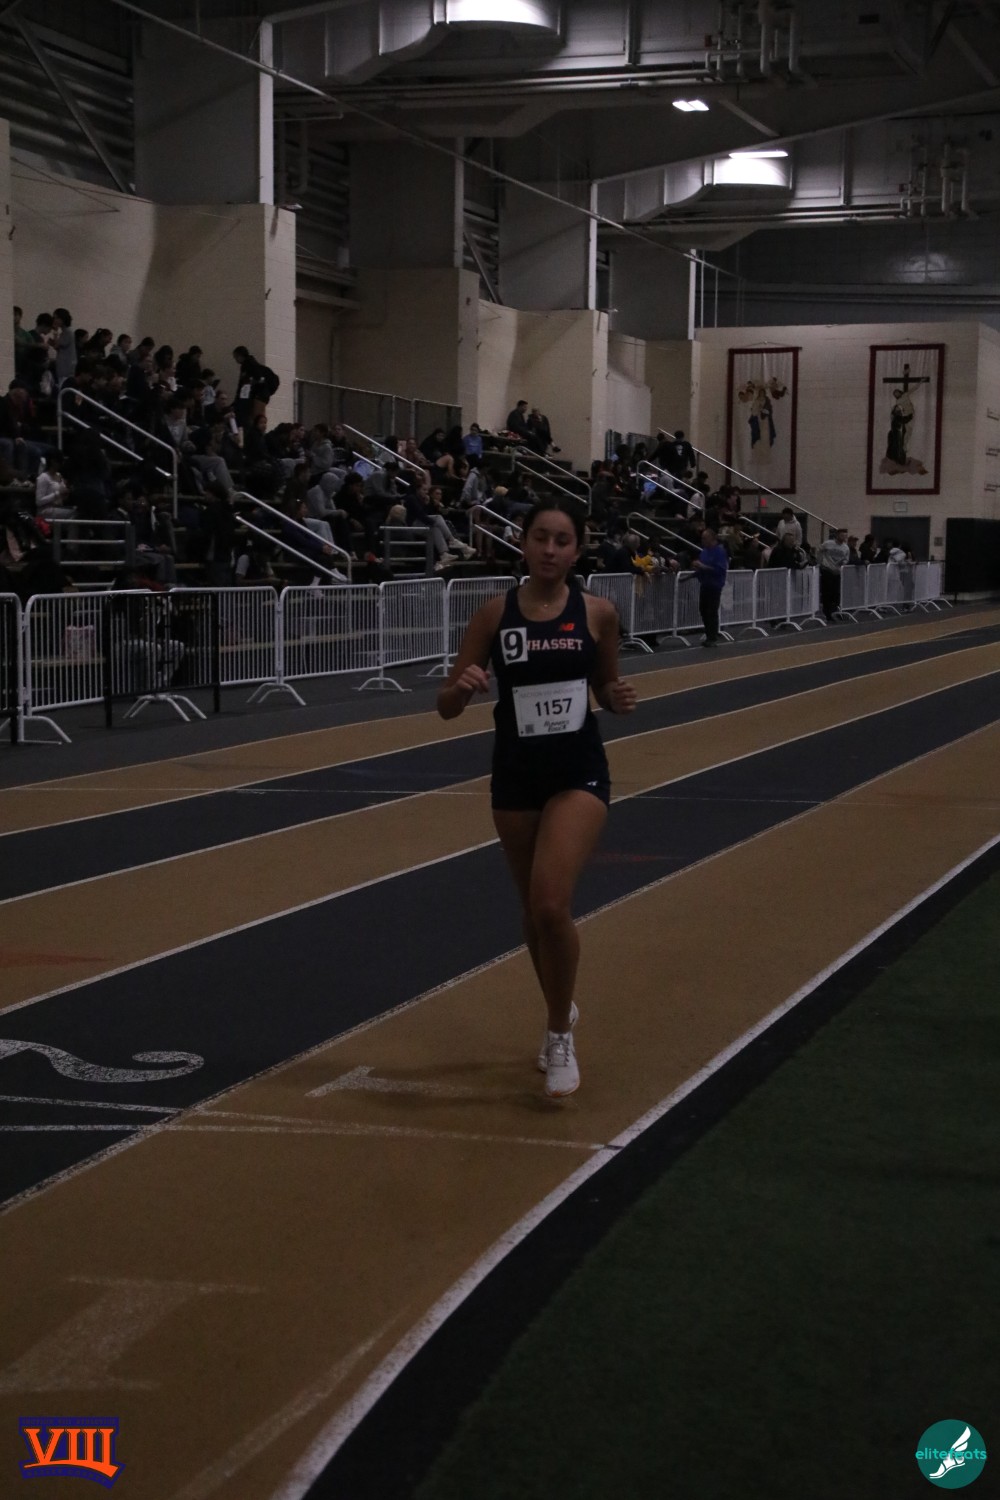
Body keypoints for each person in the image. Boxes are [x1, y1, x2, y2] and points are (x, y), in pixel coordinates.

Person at [437, 499, 637, 1099]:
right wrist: (461, 689)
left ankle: (558, 1034)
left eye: (562, 540)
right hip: (516, 776)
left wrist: (616, 698)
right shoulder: (493, 616)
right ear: (523, 544)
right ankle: (560, 1003)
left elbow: (605, 687)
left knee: (551, 904)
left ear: (577, 550)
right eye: (541, 538)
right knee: (532, 911)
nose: (550, 550)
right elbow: (445, 706)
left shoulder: (598, 613)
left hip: (579, 771)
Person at [692, 524, 728, 646]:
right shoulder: (704, 552)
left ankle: (712, 637)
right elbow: (701, 567)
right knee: (703, 610)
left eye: (705, 538)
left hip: (715, 585)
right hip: (705, 584)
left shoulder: (720, 552)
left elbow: (720, 570)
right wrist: (697, 569)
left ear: (712, 538)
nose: (702, 541)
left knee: (711, 611)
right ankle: (709, 634)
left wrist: (703, 567)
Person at [817, 526, 850, 621]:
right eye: (842, 535)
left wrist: (842, 563)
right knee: (827, 592)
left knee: (836, 593)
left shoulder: (845, 548)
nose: (843, 537)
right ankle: (827, 612)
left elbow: (846, 559)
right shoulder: (828, 544)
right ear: (837, 535)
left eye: (845, 536)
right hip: (827, 570)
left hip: (837, 572)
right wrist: (820, 562)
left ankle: (834, 611)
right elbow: (819, 550)